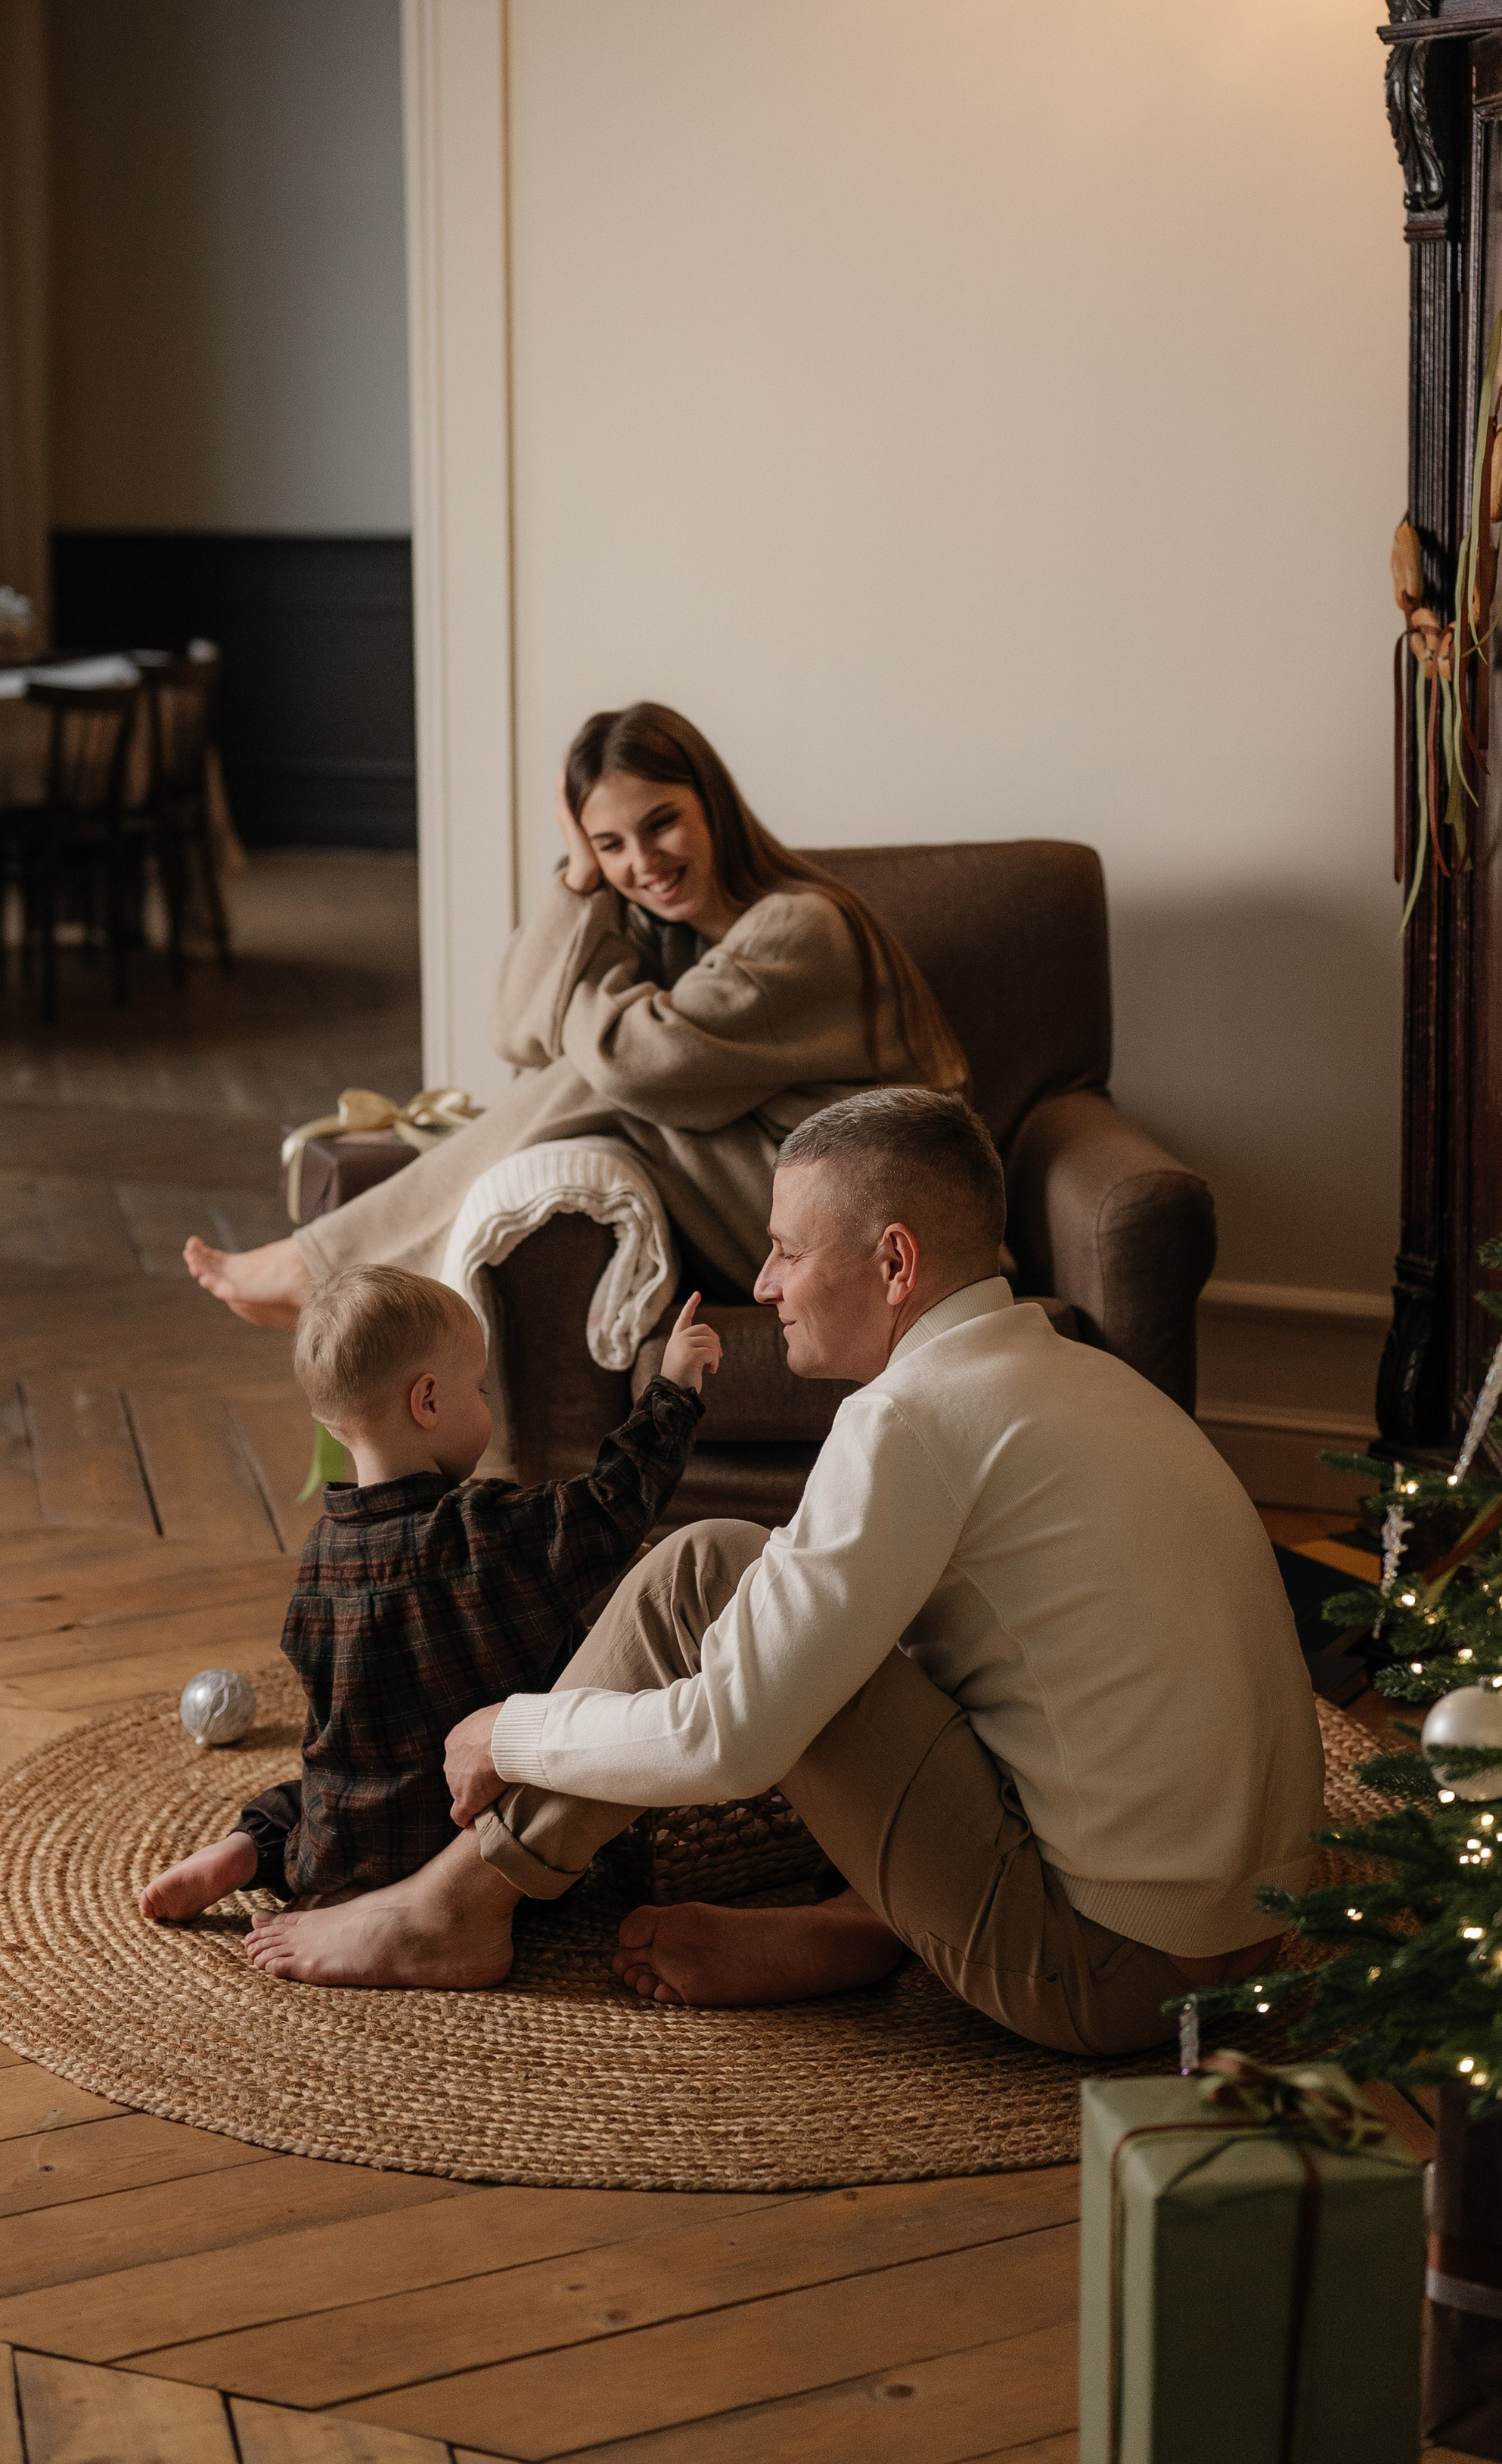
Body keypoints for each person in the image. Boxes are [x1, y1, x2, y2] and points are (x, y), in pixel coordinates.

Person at [237, 1087, 1325, 2058]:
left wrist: (506, 1730)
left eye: (787, 1252)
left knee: (706, 1573)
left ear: (895, 1263)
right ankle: (860, 1920)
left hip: (1106, 1974)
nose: (762, 1286)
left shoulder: (910, 1417)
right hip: (1244, 1937)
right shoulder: (1081, 1376)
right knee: (790, 1599)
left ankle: (452, 1905)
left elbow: (731, 1740)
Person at [182, 702, 967, 1326]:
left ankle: (328, 1269)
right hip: (784, 1193)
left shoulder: (800, 926)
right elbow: (515, 1030)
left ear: (714, 804)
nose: (643, 863)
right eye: (610, 843)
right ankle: (362, 1287)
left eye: (660, 822)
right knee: (578, 1071)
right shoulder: (667, 932)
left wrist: (599, 975)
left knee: (598, 1076)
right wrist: (580, 880)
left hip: (871, 1219)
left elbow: (632, 1063)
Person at [139, 1262, 721, 1929]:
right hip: (473, 1833)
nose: (486, 1404)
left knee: (301, 1799)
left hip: (347, 1847)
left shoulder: (320, 1555)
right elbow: (614, 1500)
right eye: (479, 1388)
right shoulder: (489, 1529)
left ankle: (247, 1851)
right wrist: (672, 1389)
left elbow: (326, 1722)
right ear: (429, 1402)